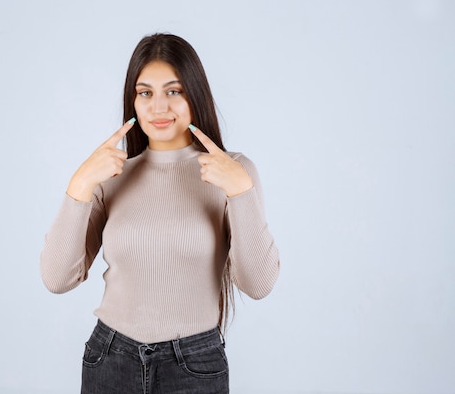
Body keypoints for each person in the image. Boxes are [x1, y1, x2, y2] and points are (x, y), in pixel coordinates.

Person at [40, 33, 280, 394]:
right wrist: (80, 183)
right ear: (133, 101)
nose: (158, 107)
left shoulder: (233, 171)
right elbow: (58, 279)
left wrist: (241, 192)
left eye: (174, 91)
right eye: (145, 93)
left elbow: (258, 284)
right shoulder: (112, 177)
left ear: (195, 94)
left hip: (194, 364)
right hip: (110, 360)